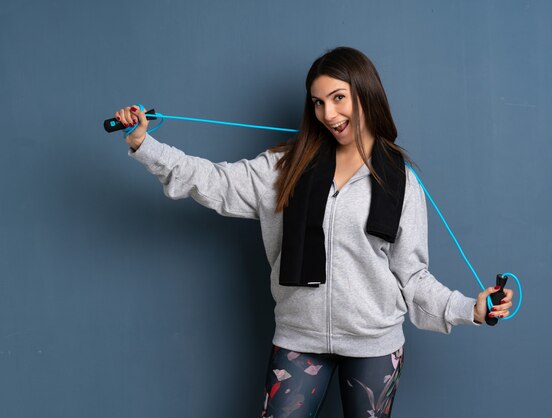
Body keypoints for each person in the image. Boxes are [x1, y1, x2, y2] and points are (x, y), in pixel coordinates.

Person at [113, 46, 513, 418]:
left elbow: (413, 277)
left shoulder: (401, 182)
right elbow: (213, 182)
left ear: (365, 94)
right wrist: (143, 143)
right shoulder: (285, 167)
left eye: (338, 97)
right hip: (298, 337)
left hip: (375, 344)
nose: (327, 113)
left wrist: (470, 309)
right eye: (318, 102)